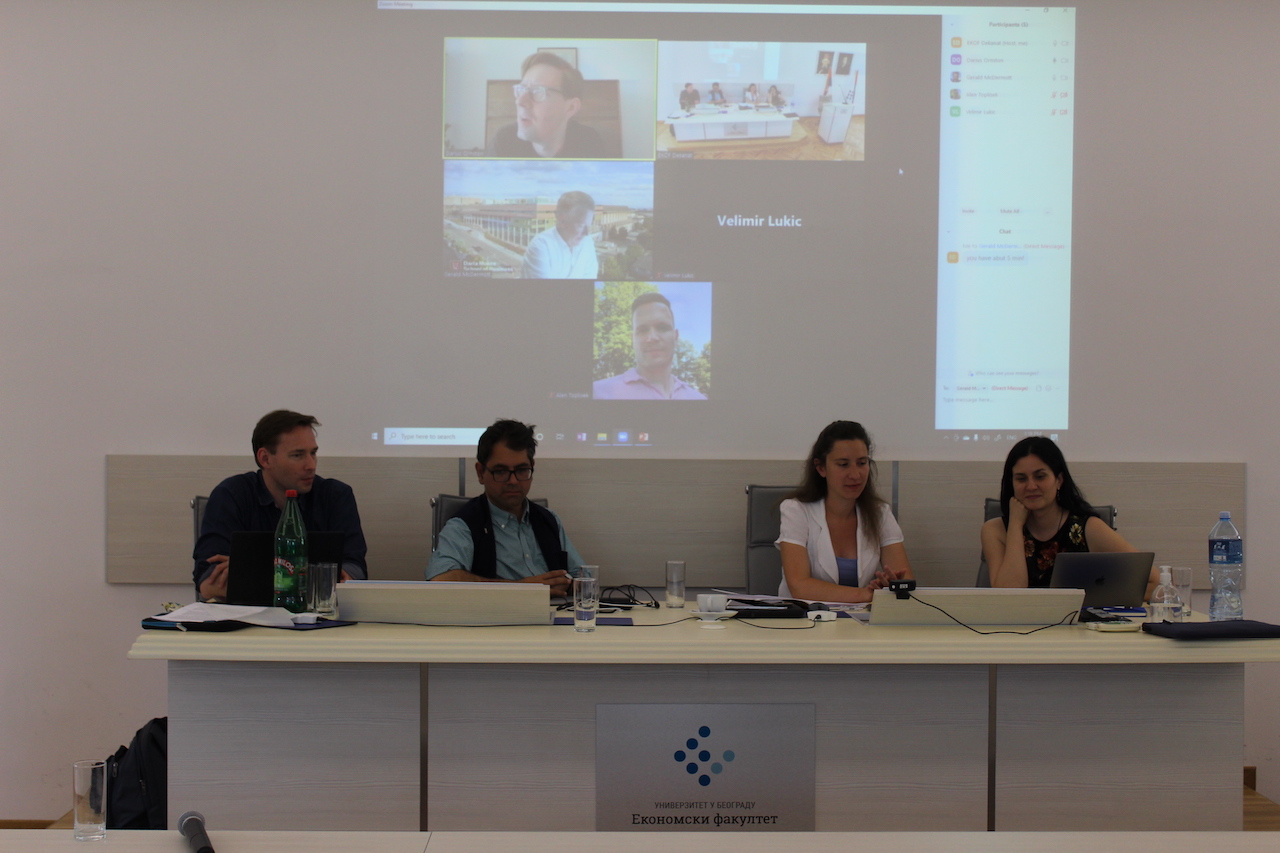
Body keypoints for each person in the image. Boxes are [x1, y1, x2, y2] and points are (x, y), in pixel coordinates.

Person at [193, 410, 368, 600]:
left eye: (313, 453)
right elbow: (209, 584)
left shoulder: (335, 496)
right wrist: (312, 576)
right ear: (265, 459)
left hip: (318, 616)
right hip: (247, 617)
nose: (311, 465)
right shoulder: (231, 495)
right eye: (297, 455)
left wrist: (250, 571)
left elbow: (353, 573)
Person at [426, 419, 584, 597]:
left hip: (555, 612)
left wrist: (569, 584)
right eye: (501, 471)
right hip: (497, 614)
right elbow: (440, 579)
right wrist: (521, 588)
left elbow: (584, 578)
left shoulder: (549, 519)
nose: (513, 481)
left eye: (522, 470)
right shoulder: (464, 525)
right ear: (480, 473)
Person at [775, 421, 913, 603]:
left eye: (862, 463)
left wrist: (891, 586)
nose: (855, 475)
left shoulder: (880, 513)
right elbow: (799, 586)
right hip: (807, 617)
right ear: (821, 468)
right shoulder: (796, 510)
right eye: (843, 464)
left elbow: (905, 581)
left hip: (864, 618)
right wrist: (865, 595)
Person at [981, 436, 1144, 589]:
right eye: (1021, 479)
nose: (1031, 486)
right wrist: (1015, 525)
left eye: (1040, 476)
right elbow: (1009, 594)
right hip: (1021, 612)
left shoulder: (1087, 528)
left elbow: (1149, 580)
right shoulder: (995, 530)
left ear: (1059, 480)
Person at [487, 52, 605, 158]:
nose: (520, 102)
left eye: (538, 91)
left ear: (571, 107)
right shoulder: (504, 142)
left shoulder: (588, 142)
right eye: (521, 89)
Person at [592, 292, 707, 400]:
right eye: (642, 330)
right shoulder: (597, 393)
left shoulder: (698, 399)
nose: (652, 338)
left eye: (662, 328)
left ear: (676, 337)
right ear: (633, 340)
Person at [521, 191, 599, 279]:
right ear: (562, 220)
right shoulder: (541, 245)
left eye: (588, 226)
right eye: (581, 225)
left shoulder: (588, 242)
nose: (586, 233)